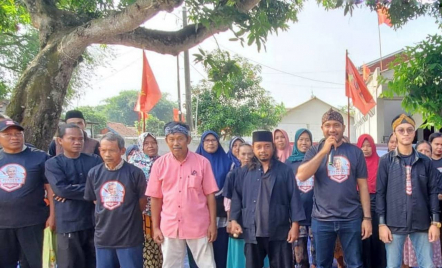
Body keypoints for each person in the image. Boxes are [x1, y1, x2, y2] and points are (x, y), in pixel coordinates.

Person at [297, 108, 372, 268]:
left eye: (336, 125)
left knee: (354, 263)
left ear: (343, 128)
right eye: (328, 125)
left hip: (351, 218)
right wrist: (324, 151)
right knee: (322, 264)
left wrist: (367, 218)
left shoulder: (355, 152)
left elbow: (363, 186)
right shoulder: (314, 151)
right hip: (322, 219)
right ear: (322, 128)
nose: (332, 129)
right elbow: (302, 175)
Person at [146, 122, 218, 268]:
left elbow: (210, 195)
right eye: (171, 139)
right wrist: (156, 227)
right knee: (171, 265)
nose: (175, 143)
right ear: (166, 141)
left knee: (207, 264)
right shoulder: (159, 165)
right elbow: (155, 198)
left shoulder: (202, 163)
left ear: (188, 140)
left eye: (180, 138)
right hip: (170, 225)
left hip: (199, 225)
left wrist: (212, 224)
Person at [230, 130, 305, 268]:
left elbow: (294, 198)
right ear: (253, 148)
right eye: (259, 147)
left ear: (273, 147)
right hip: (252, 231)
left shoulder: (284, 170)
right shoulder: (244, 172)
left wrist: (295, 226)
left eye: (267, 146)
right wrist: (234, 220)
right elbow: (236, 198)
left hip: (279, 231)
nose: (263, 150)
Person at [377, 114, 440, 268]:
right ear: (395, 133)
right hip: (394, 223)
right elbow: (380, 193)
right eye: (401, 130)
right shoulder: (386, 161)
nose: (406, 133)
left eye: (409, 130)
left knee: (428, 265)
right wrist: (381, 224)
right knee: (393, 265)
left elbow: (432, 192)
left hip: (422, 222)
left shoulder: (425, 161)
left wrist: (435, 222)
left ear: (414, 133)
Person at [84, 133, 147, 268]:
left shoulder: (135, 173)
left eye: (112, 150)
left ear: (122, 151)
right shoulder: (94, 173)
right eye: (103, 150)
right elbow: (95, 200)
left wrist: (126, 214)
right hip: (103, 237)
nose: (107, 154)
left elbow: (142, 201)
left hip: (129, 238)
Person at [45, 123, 102, 268]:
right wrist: (90, 191)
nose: (77, 142)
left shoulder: (94, 160)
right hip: (69, 223)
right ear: (60, 141)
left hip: (94, 222)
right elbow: (61, 190)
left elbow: (102, 185)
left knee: (95, 263)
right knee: (70, 263)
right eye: (72, 139)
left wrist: (72, 190)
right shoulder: (53, 163)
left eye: (80, 139)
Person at [0, 120, 55, 268]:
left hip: (32, 223)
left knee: (35, 263)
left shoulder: (40, 157)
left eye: (18, 133)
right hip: (2, 225)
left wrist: (53, 215)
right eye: (8, 134)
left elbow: (51, 189)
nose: (14, 137)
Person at [402, 140, 442, 268]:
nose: (424, 153)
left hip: (430, 221)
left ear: (431, 154)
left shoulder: (436, 173)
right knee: (409, 257)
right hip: (409, 219)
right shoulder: (407, 171)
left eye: (427, 151)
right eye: (421, 151)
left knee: (429, 258)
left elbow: (438, 194)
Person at [195, 130, 232, 268]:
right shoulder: (194, 162)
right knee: (200, 253)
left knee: (220, 251)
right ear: (202, 143)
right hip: (199, 214)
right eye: (207, 140)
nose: (210, 143)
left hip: (221, 214)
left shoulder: (228, 162)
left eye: (213, 140)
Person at [128, 132, 162, 268]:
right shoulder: (133, 164)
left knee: (161, 247)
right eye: (146, 143)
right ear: (140, 145)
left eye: (153, 143)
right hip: (140, 213)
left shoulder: (163, 161)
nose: (151, 146)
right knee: (144, 246)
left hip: (162, 211)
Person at [286, 128, 316, 268]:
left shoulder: (317, 160)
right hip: (297, 217)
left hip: (317, 215)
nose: (304, 142)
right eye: (301, 139)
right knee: (299, 257)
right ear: (296, 142)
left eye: (307, 139)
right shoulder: (288, 164)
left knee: (318, 254)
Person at [356, 134, 386, 268]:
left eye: (368, 145)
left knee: (376, 239)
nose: (365, 148)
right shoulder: (355, 163)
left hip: (377, 202)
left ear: (373, 147)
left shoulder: (381, 162)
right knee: (361, 240)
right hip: (357, 203)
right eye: (363, 145)